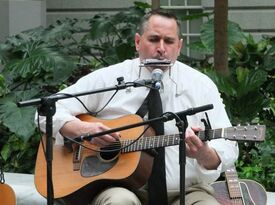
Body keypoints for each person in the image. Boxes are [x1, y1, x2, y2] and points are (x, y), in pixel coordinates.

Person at [36, 10, 239, 205]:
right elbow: (46, 110)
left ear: (179, 46)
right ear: (137, 42)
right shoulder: (110, 78)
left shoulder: (200, 85)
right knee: (119, 201)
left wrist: (205, 154)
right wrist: (81, 129)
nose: (161, 48)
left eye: (169, 41)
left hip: (187, 191)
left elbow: (229, 146)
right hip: (122, 187)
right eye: (153, 39)